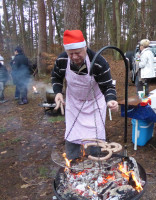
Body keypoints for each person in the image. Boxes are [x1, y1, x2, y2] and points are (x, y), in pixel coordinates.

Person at [51, 30, 119, 160]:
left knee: (96, 137)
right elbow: (56, 77)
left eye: (78, 53)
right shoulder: (62, 60)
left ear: (85, 48)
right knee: (72, 135)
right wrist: (58, 92)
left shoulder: (98, 61)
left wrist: (111, 100)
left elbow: (108, 86)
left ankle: (96, 162)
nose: (75, 57)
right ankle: (72, 163)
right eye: (71, 53)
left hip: (95, 103)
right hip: (74, 103)